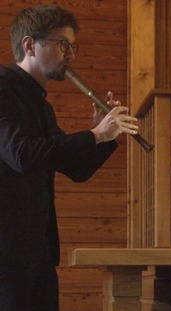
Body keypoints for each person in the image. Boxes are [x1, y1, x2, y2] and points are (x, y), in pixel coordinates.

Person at [0, 4, 138, 310]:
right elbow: (21, 155)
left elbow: (77, 169)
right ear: (29, 45)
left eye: (73, 46)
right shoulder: (3, 89)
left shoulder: (41, 105)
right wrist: (97, 134)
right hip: (7, 257)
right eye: (62, 44)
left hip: (38, 255)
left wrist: (102, 135)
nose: (71, 55)